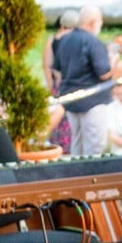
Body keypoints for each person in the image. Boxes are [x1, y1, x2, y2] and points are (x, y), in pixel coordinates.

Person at [53, 5, 113, 156]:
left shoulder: (64, 40)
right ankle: (93, 177)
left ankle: (76, 177)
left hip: (70, 99)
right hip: (93, 100)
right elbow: (104, 74)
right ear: (93, 22)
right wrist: (114, 61)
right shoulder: (92, 42)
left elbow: (57, 69)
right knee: (95, 146)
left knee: (77, 144)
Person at [42, 10, 78, 151]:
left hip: (59, 83)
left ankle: (59, 145)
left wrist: (50, 82)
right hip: (68, 83)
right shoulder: (74, 39)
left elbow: (46, 64)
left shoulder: (53, 39)